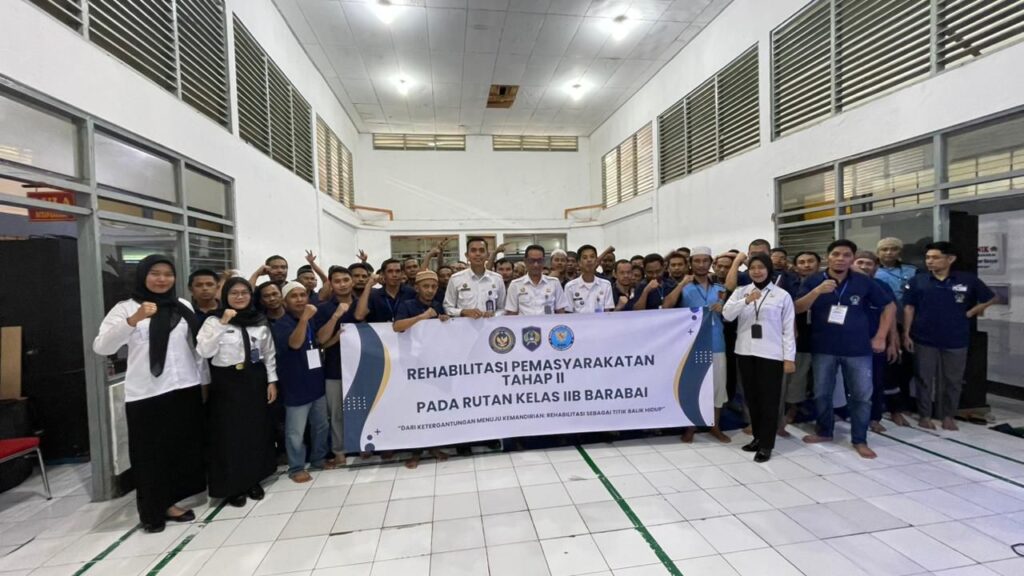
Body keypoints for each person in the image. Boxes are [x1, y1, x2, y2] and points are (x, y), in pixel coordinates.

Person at [92, 255, 206, 533]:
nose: (162, 279)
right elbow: (102, 347)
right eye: (155, 273)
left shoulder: (182, 305)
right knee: (149, 455)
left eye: (168, 273)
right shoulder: (126, 308)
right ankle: (152, 511)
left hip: (184, 388)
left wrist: (203, 381)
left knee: (178, 450)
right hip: (147, 394)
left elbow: (196, 346)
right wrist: (134, 320)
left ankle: (171, 502)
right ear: (143, 275)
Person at [795, 240, 894, 459]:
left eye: (846, 255)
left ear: (852, 258)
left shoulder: (863, 281)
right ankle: (824, 431)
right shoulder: (814, 280)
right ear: (827, 257)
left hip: (858, 348)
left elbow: (888, 306)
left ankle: (859, 439)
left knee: (861, 395)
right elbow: (797, 308)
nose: (841, 258)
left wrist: (880, 336)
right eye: (836, 254)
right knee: (822, 393)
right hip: (824, 347)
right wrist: (817, 291)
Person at [196, 278, 278, 507]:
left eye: (244, 292)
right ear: (225, 296)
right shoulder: (213, 320)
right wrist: (223, 323)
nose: (240, 297)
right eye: (234, 293)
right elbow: (204, 350)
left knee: (255, 431)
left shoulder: (259, 320)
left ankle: (253, 480)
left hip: (254, 380)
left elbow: (268, 353)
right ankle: (233, 487)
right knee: (229, 435)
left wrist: (272, 381)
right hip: (226, 384)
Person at [904, 241, 997, 431]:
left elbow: (992, 297)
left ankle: (948, 415)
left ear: (950, 259)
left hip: (956, 337)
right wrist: (906, 333)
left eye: (935, 257)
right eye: (927, 257)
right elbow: (909, 307)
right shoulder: (918, 280)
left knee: (953, 380)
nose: (930, 261)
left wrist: (972, 312)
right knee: (924, 378)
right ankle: (924, 415)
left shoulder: (967, 279)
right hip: (924, 337)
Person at [723, 253, 796, 463]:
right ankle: (757, 437)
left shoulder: (782, 295)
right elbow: (727, 315)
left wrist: (789, 358)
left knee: (769, 401)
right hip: (745, 352)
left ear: (769, 269)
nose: (756, 271)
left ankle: (766, 444)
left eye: (761, 267)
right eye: (753, 267)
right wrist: (746, 301)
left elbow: (788, 329)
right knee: (752, 399)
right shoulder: (741, 291)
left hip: (771, 354)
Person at [664, 247, 729, 443]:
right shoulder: (684, 286)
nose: (701, 265)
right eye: (697, 261)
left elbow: (730, 314)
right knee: (692, 388)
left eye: (705, 261)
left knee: (718, 387)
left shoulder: (720, 288)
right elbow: (666, 306)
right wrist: (682, 283)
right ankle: (690, 427)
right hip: (691, 344)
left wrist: (723, 309)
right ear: (690, 263)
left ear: (711, 263)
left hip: (716, 343)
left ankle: (714, 426)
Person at [272, 282, 334, 482]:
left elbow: (319, 340)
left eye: (302, 295)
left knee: (321, 426)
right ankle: (296, 467)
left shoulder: (311, 319)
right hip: (295, 387)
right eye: (294, 296)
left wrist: (334, 320)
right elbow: (295, 343)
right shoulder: (281, 324)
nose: (299, 299)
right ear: (284, 301)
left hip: (315, 382)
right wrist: (305, 319)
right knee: (295, 432)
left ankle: (318, 459)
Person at [394, 270, 452, 468]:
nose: (430, 290)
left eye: (433, 287)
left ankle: (434, 446)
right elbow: (397, 326)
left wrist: (443, 320)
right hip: (412, 365)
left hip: (435, 364)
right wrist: (423, 317)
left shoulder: (438, 305)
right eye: (426, 286)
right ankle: (416, 451)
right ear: (417, 287)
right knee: (415, 408)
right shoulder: (407, 305)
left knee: (434, 407)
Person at [852, 251, 901, 433]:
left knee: (876, 381)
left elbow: (890, 314)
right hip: (847, 342)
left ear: (876, 267)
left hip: (875, 341)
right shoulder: (846, 284)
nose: (864, 267)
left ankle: (874, 417)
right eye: (860, 262)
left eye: (869, 263)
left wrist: (892, 341)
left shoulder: (881, 286)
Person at [314, 266, 357, 465]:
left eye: (345, 280)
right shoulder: (323, 308)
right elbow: (321, 340)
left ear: (352, 282)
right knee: (337, 413)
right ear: (330, 284)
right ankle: (339, 449)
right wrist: (336, 316)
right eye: (337, 281)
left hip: (362, 367)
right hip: (334, 368)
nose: (342, 284)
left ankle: (363, 445)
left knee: (362, 409)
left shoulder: (363, 304)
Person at [779, 251, 821, 434]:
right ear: (795, 266)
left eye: (810, 261)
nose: (806, 265)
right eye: (802, 262)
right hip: (798, 337)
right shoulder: (788, 284)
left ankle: (822, 415)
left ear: (819, 264)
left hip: (825, 337)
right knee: (796, 377)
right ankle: (791, 408)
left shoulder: (830, 282)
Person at [444, 237, 506, 319]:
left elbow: (503, 309)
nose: (478, 254)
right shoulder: (455, 279)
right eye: (473, 250)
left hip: (490, 325)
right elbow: (448, 308)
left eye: (482, 250)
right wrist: (463, 312)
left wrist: (494, 315)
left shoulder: (497, 279)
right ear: (467, 255)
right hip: (463, 325)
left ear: (488, 255)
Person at [506, 245, 569, 315]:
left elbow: (560, 312)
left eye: (539, 261)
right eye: (532, 261)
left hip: (549, 322)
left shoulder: (554, 283)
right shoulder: (515, 285)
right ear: (525, 261)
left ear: (544, 261)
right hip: (524, 322)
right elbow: (511, 314)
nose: (536, 265)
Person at [355, 259, 416, 323]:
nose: (394, 275)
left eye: (398, 271)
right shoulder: (373, 295)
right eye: (390, 271)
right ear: (383, 274)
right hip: (379, 329)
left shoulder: (411, 292)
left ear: (402, 273)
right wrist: (368, 285)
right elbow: (359, 316)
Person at [564, 245, 615, 313]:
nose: (589, 260)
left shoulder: (606, 285)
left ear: (596, 261)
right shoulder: (570, 287)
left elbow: (607, 312)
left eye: (592, 257)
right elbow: (568, 313)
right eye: (585, 257)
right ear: (579, 262)